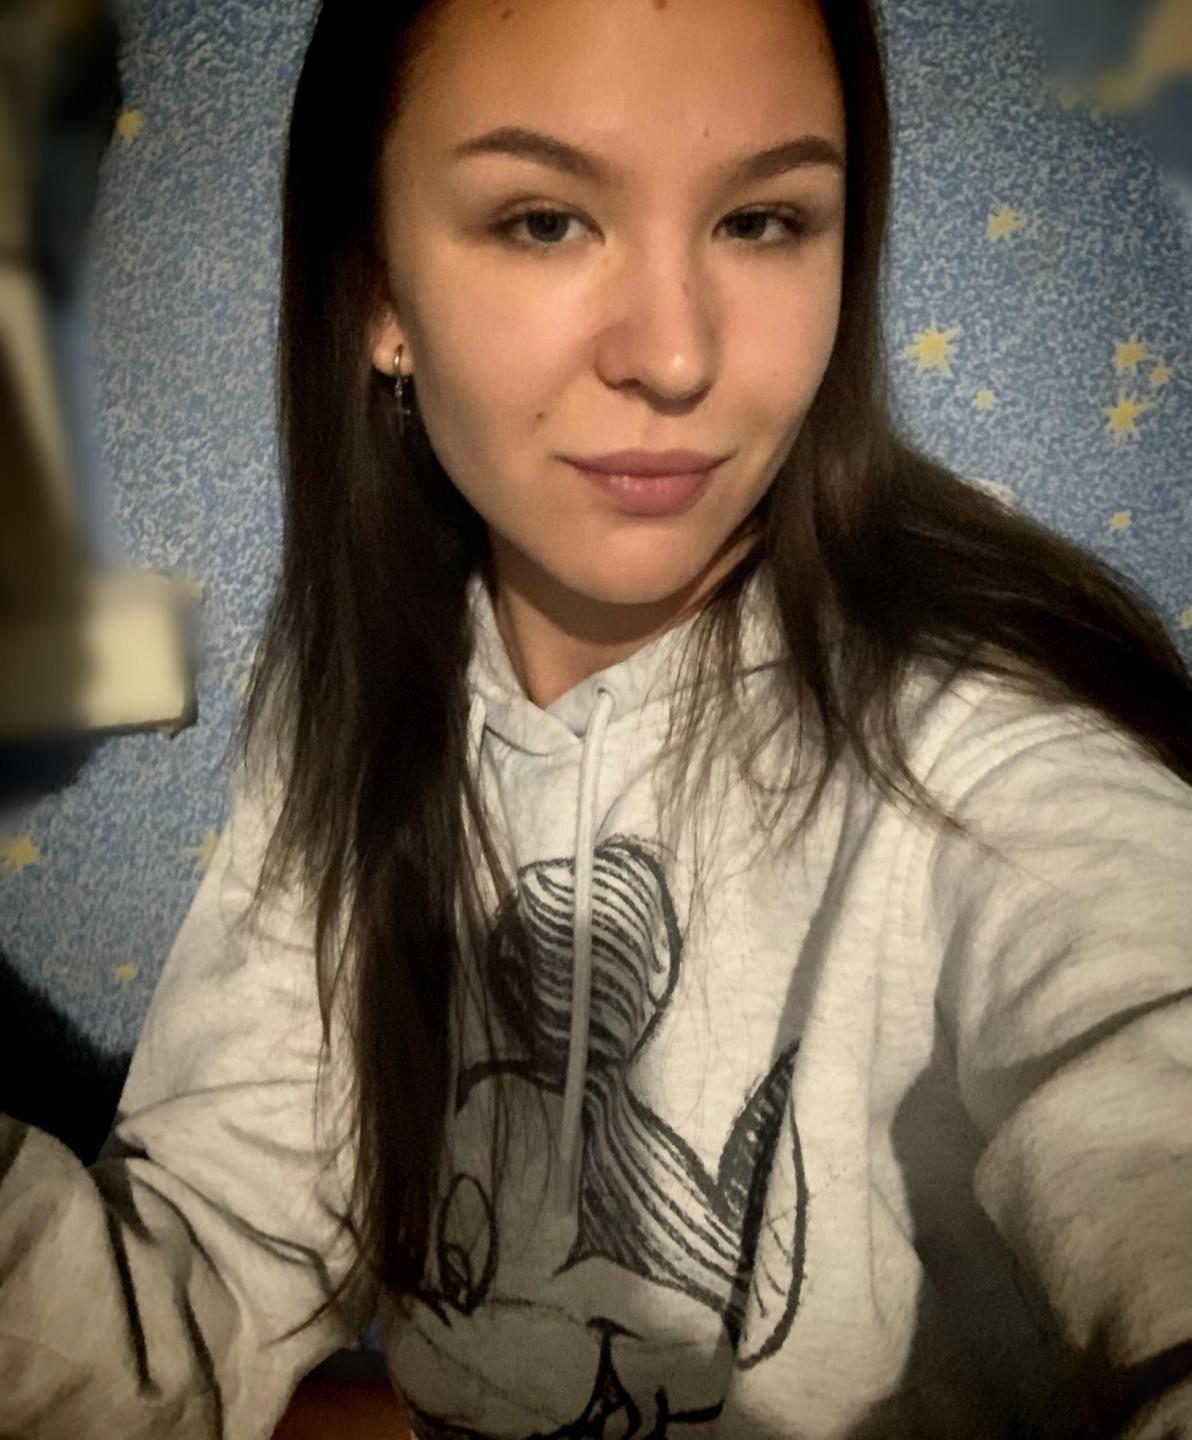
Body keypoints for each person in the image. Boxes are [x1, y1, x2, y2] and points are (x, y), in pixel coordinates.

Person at [2, 0, 1190, 1436]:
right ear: (379, 294)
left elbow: (1141, 1043)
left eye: (761, 221)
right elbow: (178, 1309)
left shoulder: (985, 747)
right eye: (545, 221)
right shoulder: (359, 709)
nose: (676, 357)